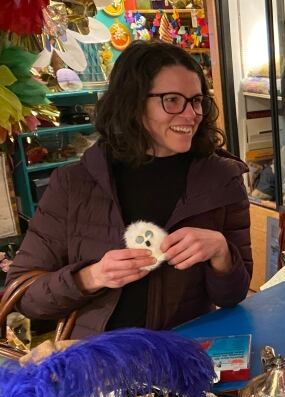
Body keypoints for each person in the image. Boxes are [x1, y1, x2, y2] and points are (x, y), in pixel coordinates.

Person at [5, 40, 252, 339]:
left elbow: (233, 295)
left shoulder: (222, 179)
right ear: (132, 103)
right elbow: (25, 300)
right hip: (99, 364)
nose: (191, 115)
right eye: (172, 100)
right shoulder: (74, 184)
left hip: (181, 356)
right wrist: (91, 276)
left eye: (197, 100)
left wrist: (220, 251)